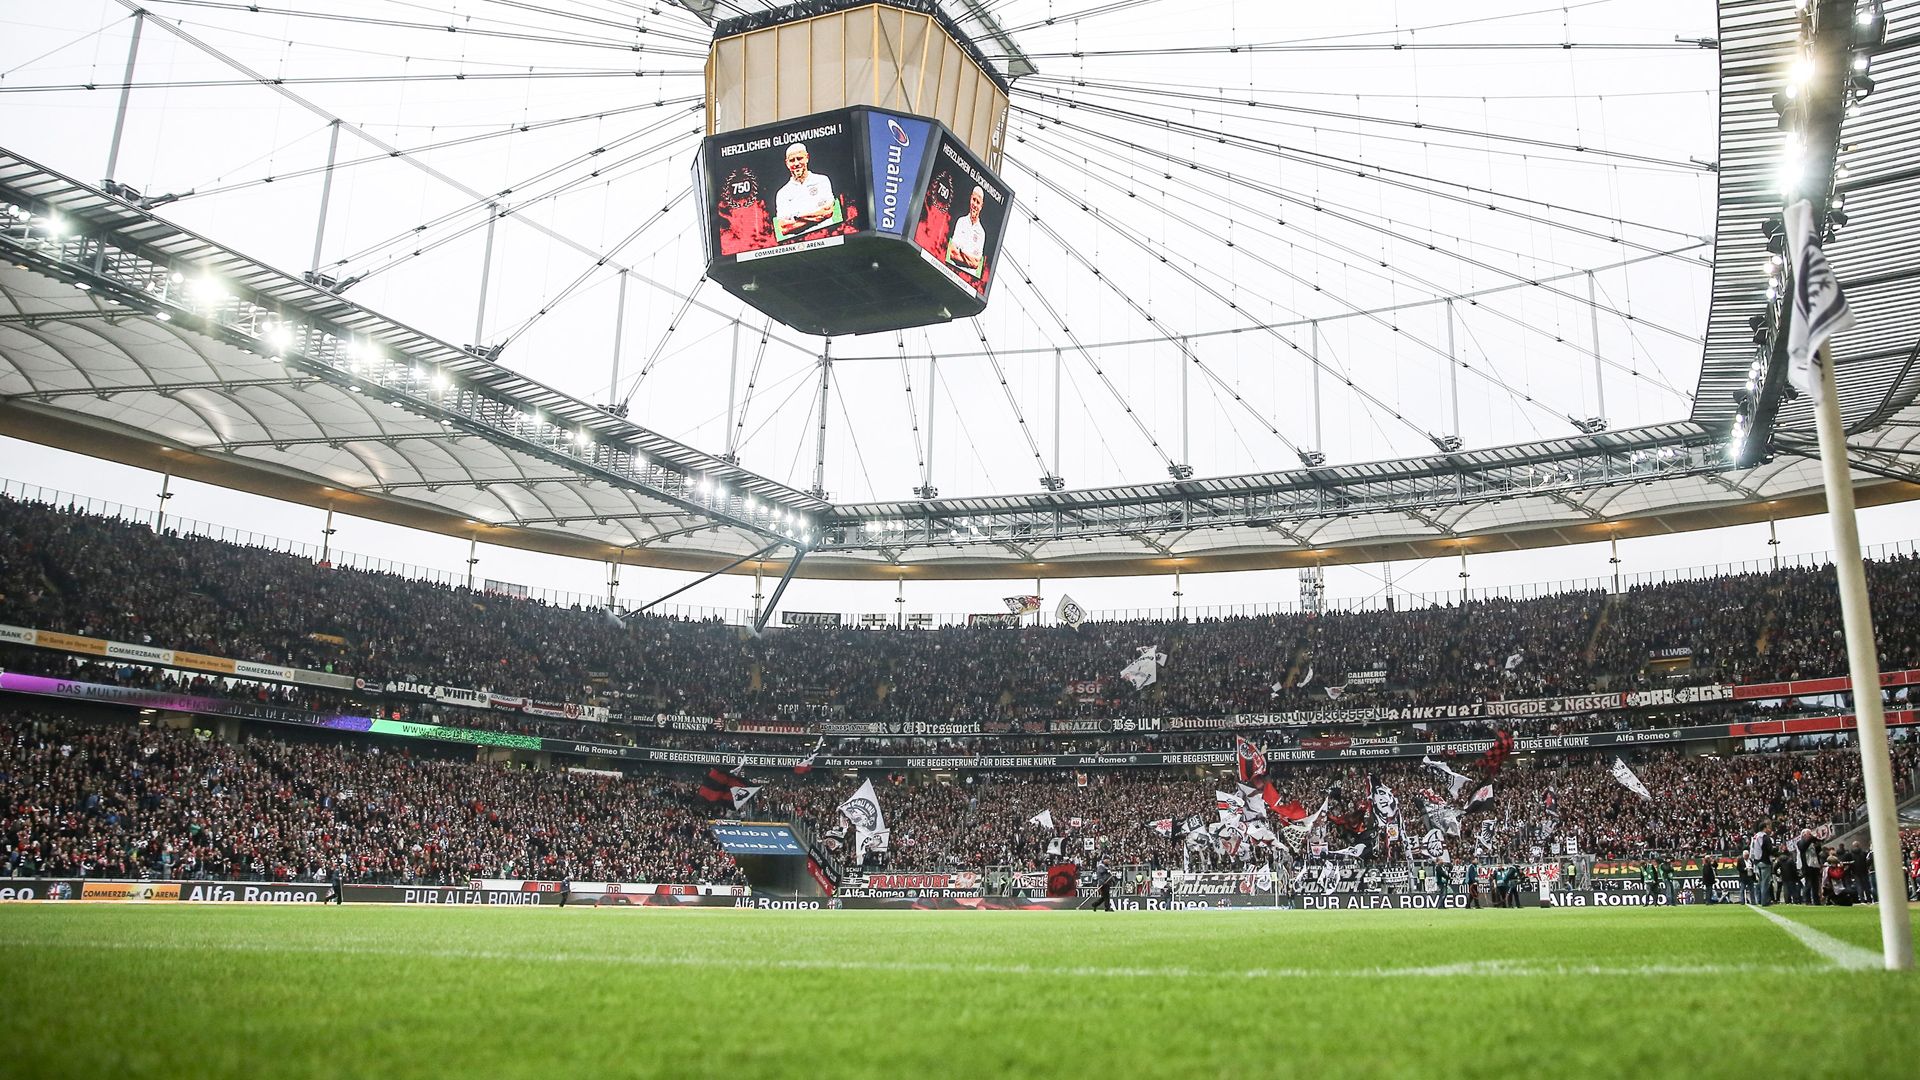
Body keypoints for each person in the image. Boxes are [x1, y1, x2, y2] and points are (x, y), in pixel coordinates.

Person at [773, 143, 837, 240]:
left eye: (799, 158)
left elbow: (827, 213)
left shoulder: (822, 180)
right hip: (800, 245)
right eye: (792, 160)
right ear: (787, 163)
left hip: (828, 239)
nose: (796, 163)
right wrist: (818, 215)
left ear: (807, 158)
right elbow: (784, 228)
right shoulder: (782, 193)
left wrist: (797, 217)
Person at [945, 186, 987, 274]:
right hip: (952, 272)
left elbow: (976, 264)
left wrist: (961, 252)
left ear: (981, 206)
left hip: (968, 278)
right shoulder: (961, 221)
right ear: (970, 199)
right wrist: (970, 260)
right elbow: (952, 253)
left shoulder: (981, 233)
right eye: (974, 200)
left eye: (978, 202)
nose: (975, 204)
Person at [1749, 822, 1775, 906]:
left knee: (1760, 882)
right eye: (1768, 827)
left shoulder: (1755, 837)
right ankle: (1765, 901)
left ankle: (1759, 899)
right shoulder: (1765, 837)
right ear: (1764, 828)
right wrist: (1776, 850)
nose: (1769, 829)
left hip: (1756, 862)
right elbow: (1769, 849)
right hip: (1764, 861)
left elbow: (1752, 850)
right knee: (1765, 883)